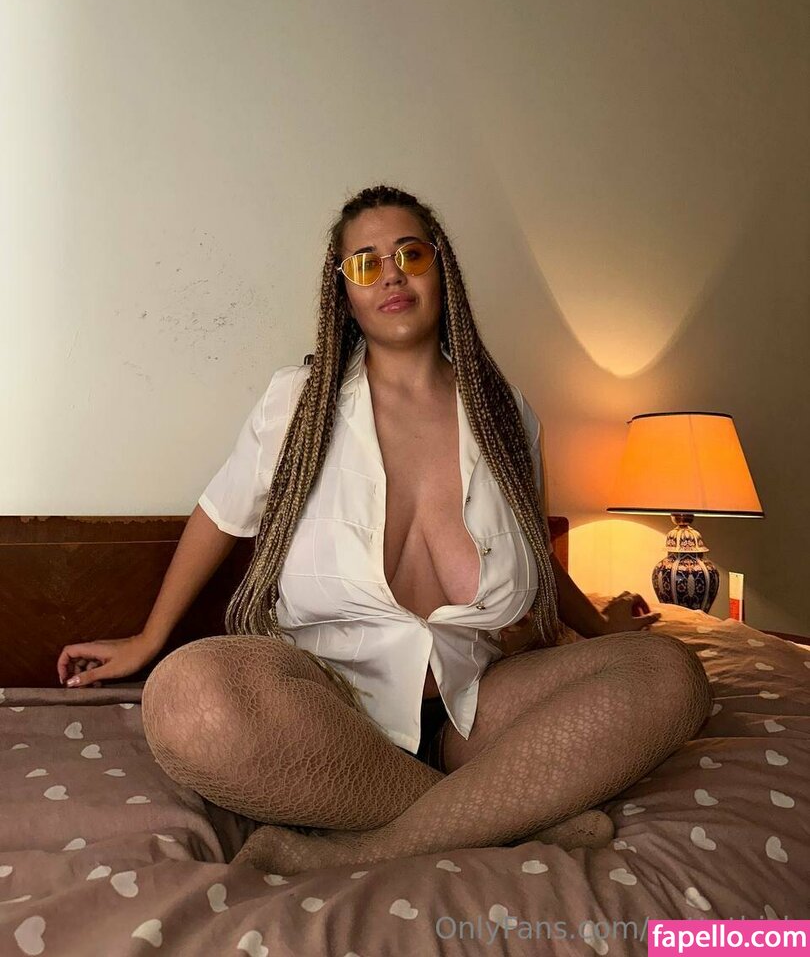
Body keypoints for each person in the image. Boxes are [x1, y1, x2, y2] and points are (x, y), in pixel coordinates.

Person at [56, 185, 713, 876]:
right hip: (328, 710)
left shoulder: (506, 413)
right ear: (344, 293)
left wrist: (600, 629)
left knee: (671, 673)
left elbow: (530, 551)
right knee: (185, 697)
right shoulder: (297, 404)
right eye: (366, 263)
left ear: (441, 271)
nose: (392, 275)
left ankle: (375, 845)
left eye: (410, 254)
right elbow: (220, 515)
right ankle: (509, 818)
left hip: (475, 705)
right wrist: (150, 638)